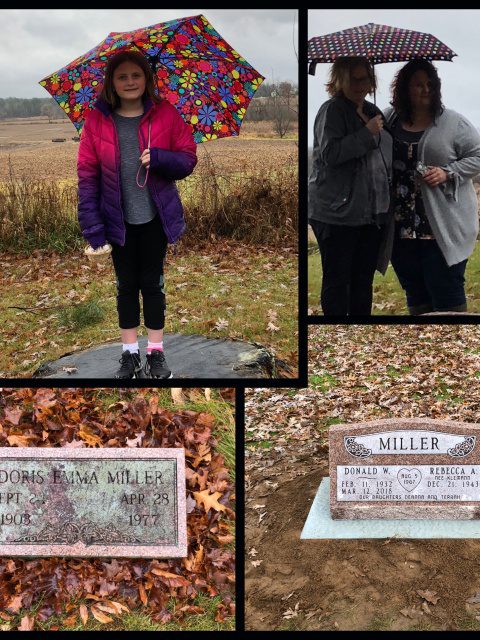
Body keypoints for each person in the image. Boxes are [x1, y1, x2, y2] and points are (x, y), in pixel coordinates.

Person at [77, 50, 197, 378]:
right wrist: (93, 229)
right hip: (117, 221)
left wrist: (160, 157)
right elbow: (87, 176)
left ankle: (155, 353)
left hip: (155, 219)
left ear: (147, 79)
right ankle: (130, 354)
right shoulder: (96, 121)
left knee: (153, 283)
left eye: (136, 75)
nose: (130, 82)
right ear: (111, 83)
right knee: (126, 285)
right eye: (122, 76)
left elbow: (187, 160)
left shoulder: (166, 115)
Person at [385, 59, 480, 314]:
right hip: (402, 227)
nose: (426, 89)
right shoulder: (389, 119)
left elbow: (478, 155)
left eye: (430, 84)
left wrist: (448, 172)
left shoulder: (452, 122)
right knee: (415, 293)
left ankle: (453, 344)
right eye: (418, 84)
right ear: (405, 88)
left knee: (446, 291)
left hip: (442, 226)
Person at [308, 56, 392, 316]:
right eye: (352, 79)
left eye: (364, 78)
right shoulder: (331, 110)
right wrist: (366, 133)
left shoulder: (371, 111)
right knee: (337, 282)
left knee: (362, 283)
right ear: (340, 79)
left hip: (368, 215)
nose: (359, 84)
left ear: (371, 80)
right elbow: (330, 154)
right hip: (336, 214)